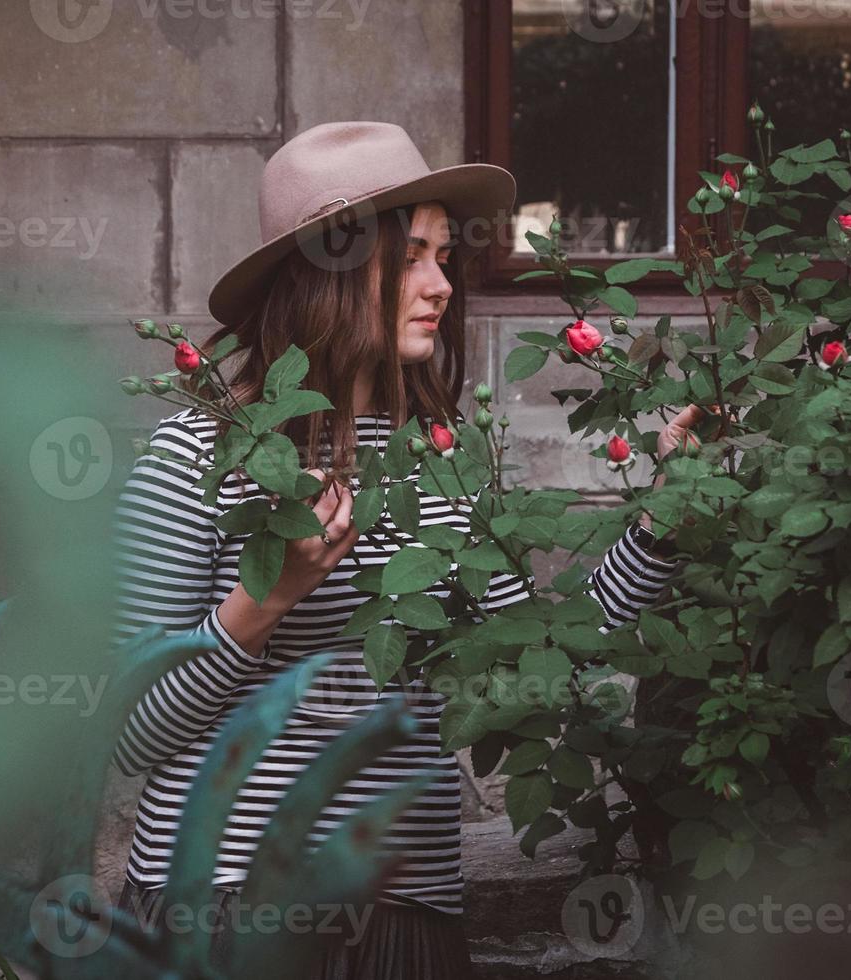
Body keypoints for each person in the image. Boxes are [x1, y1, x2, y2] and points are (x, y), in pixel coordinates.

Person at [108, 121, 701, 978]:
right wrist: (263, 601)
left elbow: (537, 662)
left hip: (403, 911)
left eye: (447, 256)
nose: (442, 285)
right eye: (414, 256)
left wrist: (662, 518)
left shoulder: (439, 454)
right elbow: (133, 732)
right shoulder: (201, 452)